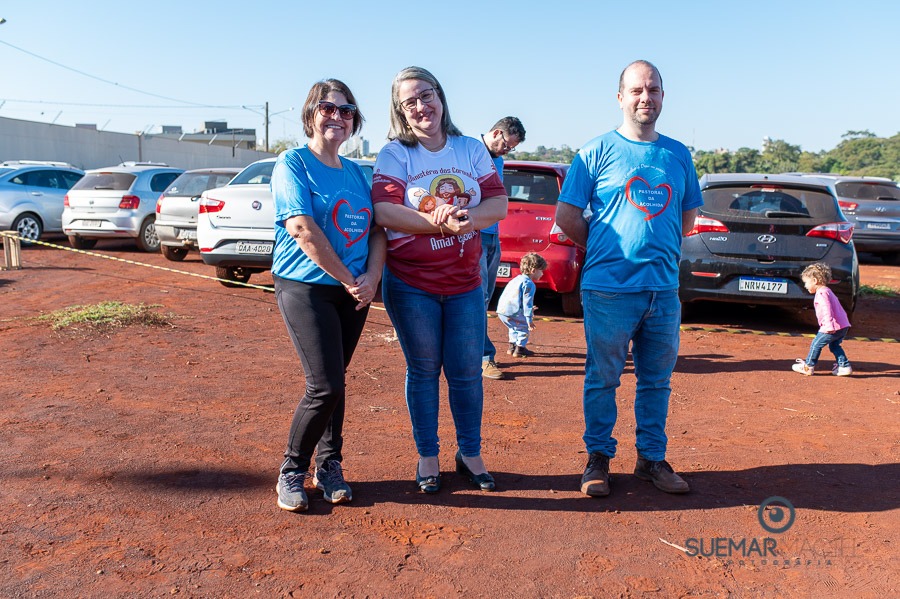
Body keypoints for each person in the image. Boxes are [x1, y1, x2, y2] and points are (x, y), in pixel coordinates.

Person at [555, 60, 702, 497]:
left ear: (663, 97)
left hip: (663, 290)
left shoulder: (678, 154)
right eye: (637, 90)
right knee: (603, 379)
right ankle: (598, 459)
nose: (645, 98)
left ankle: (651, 460)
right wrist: (607, 247)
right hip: (608, 290)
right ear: (620, 97)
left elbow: (687, 217)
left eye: (653, 90)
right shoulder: (595, 151)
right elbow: (566, 216)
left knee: (657, 381)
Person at [372, 66, 508, 494]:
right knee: (424, 371)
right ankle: (427, 456)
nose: (421, 106)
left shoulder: (470, 149)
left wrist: (466, 217)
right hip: (412, 285)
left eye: (426, 95)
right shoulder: (395, 154)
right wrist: (439, 223)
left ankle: (470, 454)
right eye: (409, 101)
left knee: (467, 373)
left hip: (466, 283)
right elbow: (384, 212)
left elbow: (499, 204)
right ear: (400, 111)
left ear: (441, 96)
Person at [271, 79, 386, 512]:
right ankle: (292, 470)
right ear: (310, 115)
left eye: (346, 110)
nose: (337, 116)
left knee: (336, 380)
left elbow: (378, 230)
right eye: (327, 108)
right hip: (306, 286)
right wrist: (348, 278)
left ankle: (329, 465)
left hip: (353, 290)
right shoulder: (293, 162)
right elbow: (301, 228)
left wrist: (372, 276)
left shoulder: (357, 172)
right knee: (324, 385)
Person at [479, 117, 526, 380]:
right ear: (497, 133)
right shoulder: (471, 151)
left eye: (512, 148)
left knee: (484, 299)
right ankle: (484, 358)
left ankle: (470, 352)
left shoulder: (498, 160)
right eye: (507, 145)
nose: (507, 151)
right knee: (475, 299)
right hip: (473, 236)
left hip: (492, 237)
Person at [792, 262, 853, 376]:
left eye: (806, 282)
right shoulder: (827, 291)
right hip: (843, 326)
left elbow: (827, 309)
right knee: (834, 345)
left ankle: (808, 366)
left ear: (815, 281)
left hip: (831, 326)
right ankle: (844, 366)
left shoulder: (821, 293)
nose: (805, 286)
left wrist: (829, 326)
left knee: (816, 344)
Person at [496, 252, 547, 358]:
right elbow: (527, 303)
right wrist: (529, 319)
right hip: (513, 312)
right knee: (523, 327)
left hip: (502, 311)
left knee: (513, 327)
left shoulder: (515, 279)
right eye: (541, 271)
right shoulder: (529, 284)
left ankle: (512, 347)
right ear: (533, 270)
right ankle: (520, 349)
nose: (542, 273)